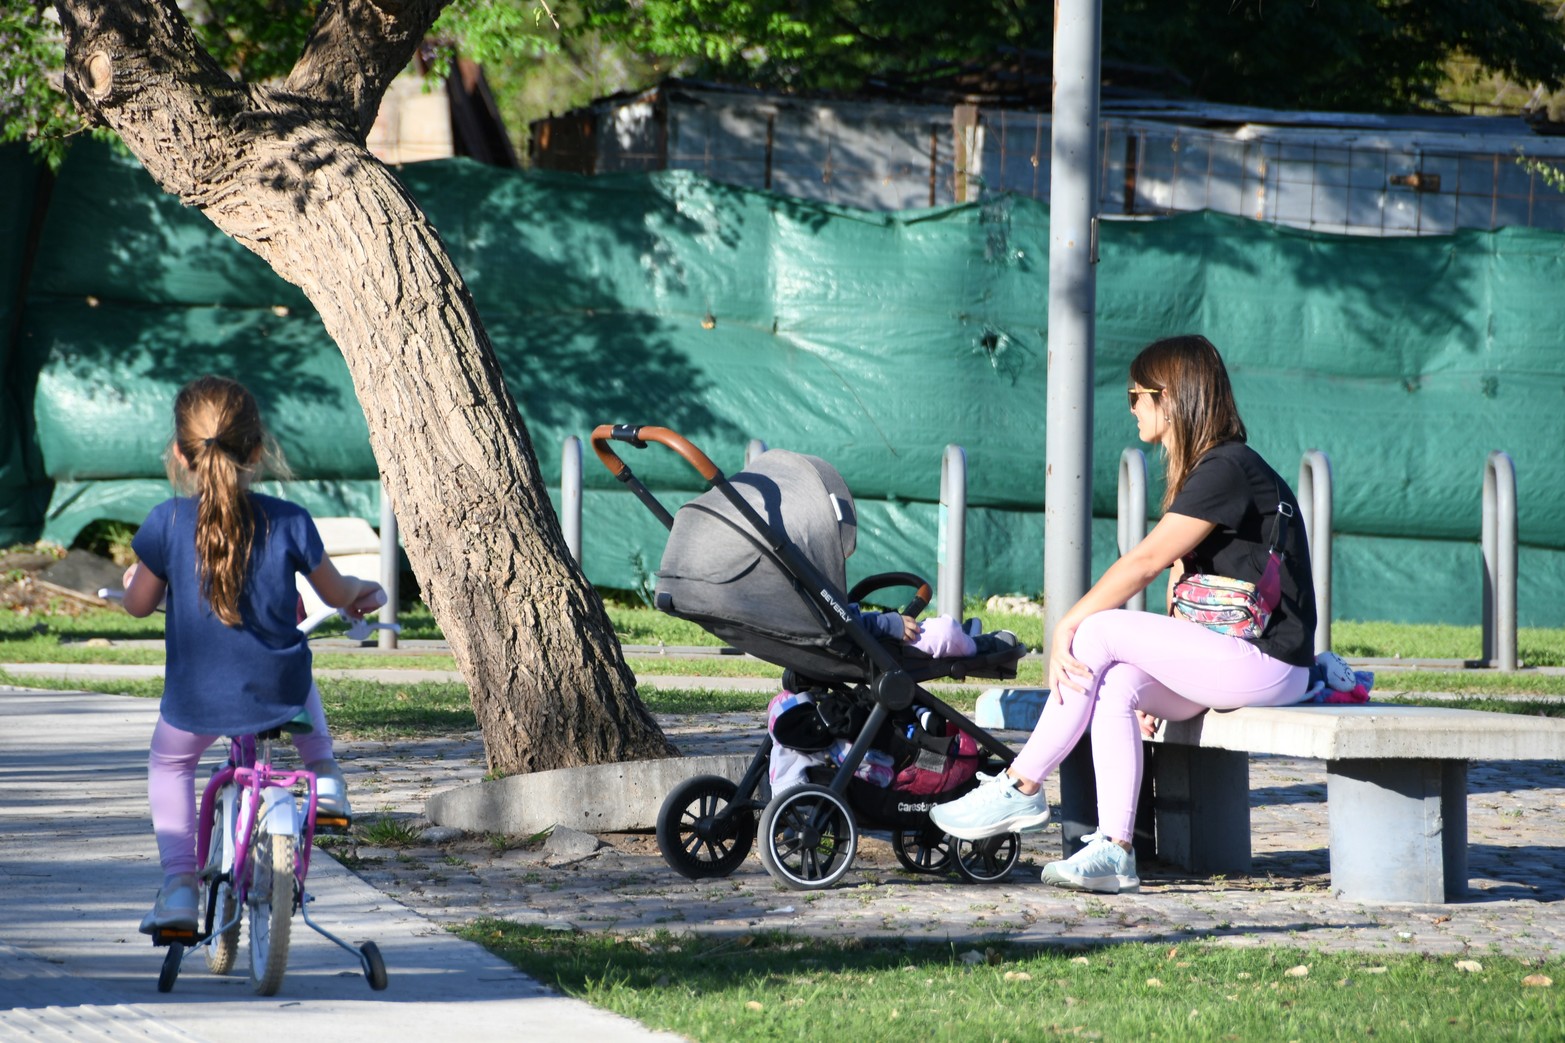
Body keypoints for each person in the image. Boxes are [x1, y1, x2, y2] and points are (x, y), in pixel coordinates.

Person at [930, 334, 1316, 894]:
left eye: (1137, 395)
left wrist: (1067, 624)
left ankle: (1021, 785)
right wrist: (1164, 676)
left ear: (1170, 397)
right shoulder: (1213, 469)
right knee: (1117, 688)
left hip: (1269, 664)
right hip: (1239, 660)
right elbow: (1182, 586)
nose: (1131, 407)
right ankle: (1115, 849)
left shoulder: (1227, 468)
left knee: (1098, 630)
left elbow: (1146, 563)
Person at [122, 376, 385, 934]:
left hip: (195, 703)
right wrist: (362, 589)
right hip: (277, 694)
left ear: (180, 454)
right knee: (295, 664)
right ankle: (325, 777)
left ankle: (179, 886)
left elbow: (138, 606)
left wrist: (132, 581)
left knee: (170, 765)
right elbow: (336, 593)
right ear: (258, 450)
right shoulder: (288, 521)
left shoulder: (166, 522)